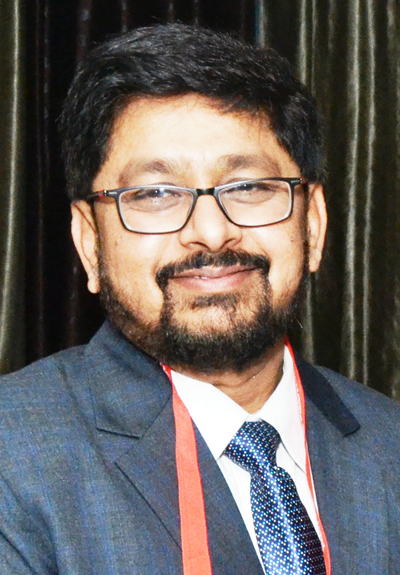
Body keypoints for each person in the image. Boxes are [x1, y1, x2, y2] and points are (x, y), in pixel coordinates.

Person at [0, 23, 399, 575]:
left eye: (249, 187)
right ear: (90, 241)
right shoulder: (14, 452)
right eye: (155, 194)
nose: (211, 233)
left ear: (314, 222)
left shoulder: (389, 442)